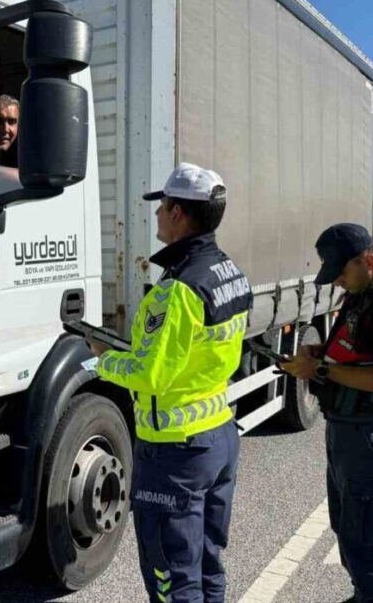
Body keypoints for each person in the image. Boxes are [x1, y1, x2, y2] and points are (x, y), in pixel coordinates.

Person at [88, 162, 252, 603]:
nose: (157, 215)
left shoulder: (179, 288)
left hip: (175, 450)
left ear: (178, 212)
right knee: (207, 561)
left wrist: (103, 362)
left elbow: (150, 375)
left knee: (171, 576)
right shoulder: (228, 270)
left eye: (161, 206)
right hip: (218, 435)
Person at [280, 224, 373, 603]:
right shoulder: (363, 294)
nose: (339, 283)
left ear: (368, 260)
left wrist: (320, 371)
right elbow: (354, 350)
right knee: (348, 527)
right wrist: (319, 355)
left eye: (342, 273)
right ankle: (365, 593)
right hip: (348, 428)